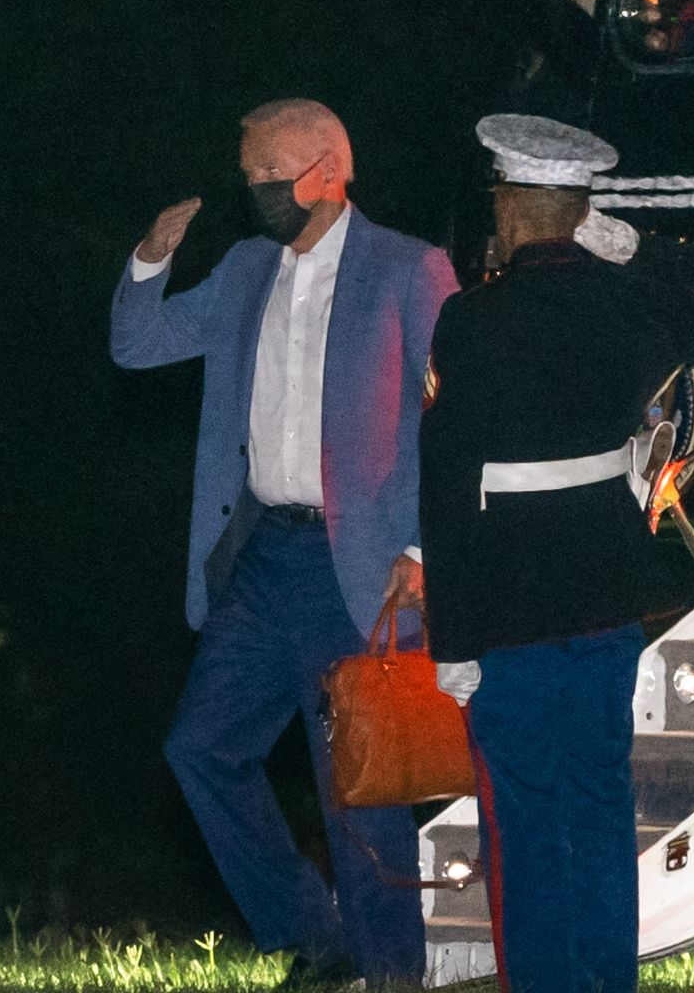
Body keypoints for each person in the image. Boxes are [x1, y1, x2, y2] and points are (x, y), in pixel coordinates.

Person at [109, 98, 456, 987]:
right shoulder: (243, 268)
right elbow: (137, 344)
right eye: (250, 177)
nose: (257, 190)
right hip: (263, 556)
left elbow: (453, 422)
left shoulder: (409, 269)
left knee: (360, 783)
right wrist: (152, 256)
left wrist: (421, 547)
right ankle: (316, 933)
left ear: (328, 170)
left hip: (364, 562)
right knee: (201, 749)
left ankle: (388, 971)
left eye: (271, 174)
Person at [420, 115, 694, 993]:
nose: (494, 214)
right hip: (607, 593)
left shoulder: (470, 320)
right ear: (582, 214)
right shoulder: (632, 301)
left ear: (516, 205)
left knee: (529, 826)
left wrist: (451, 641)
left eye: (500, 198)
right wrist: (647, 252)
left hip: (510, 605)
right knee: (599, 810)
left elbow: (449, 486)